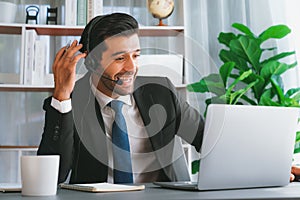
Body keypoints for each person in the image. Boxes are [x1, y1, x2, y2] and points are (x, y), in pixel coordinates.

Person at [37, 13, 204, 184]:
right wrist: (62, 95)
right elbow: (52, 176)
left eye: (135, 56)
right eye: (120, 58)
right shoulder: (70, 102)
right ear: (92, 62)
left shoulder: (161, 92)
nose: (131, 67)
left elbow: (206, 140)